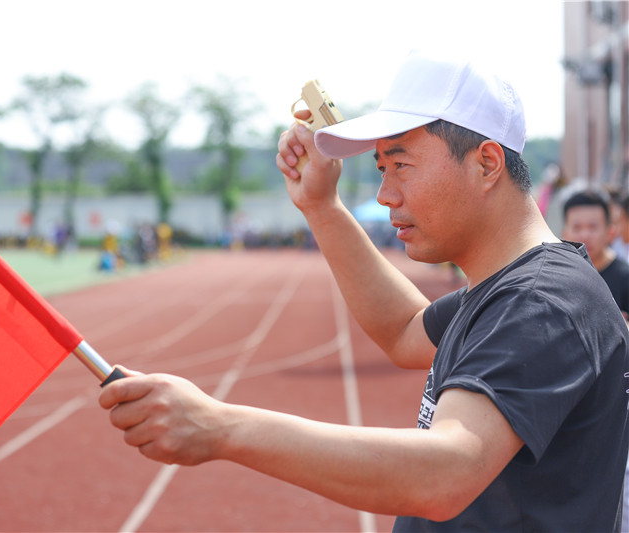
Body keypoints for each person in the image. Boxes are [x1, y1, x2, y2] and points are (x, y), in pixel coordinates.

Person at [100, 50, 629, 531]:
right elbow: (403, 331)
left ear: (486, 163)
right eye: (381, 168)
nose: (384, 194)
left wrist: (221, 428)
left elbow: (445, 473)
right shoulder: (509, 287)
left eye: (401, 165)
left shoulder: (541, 302)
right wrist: (321, 207)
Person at [562, 190, 629, 319]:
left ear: (610, 232)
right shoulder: (559, 278)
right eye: (577, 227)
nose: (585, 235)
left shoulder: (625, 277)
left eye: (593, 227)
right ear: (564, 233)